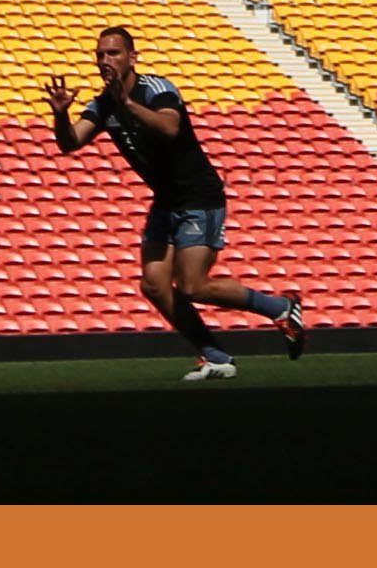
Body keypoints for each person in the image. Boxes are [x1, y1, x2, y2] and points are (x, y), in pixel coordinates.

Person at [49, 21, 305, 379]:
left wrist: (127, 104)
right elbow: (70, 142)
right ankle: (215, 356)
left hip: (198, 196)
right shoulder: (104, 103)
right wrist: (61, 114)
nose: (106, 59)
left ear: (132, 57)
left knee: (192, 286)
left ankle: (280, 307)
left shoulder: (156, 88)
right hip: (167, 201)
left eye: (114, 53)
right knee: (153, 284)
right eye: (100, 54)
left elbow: (170, 127)